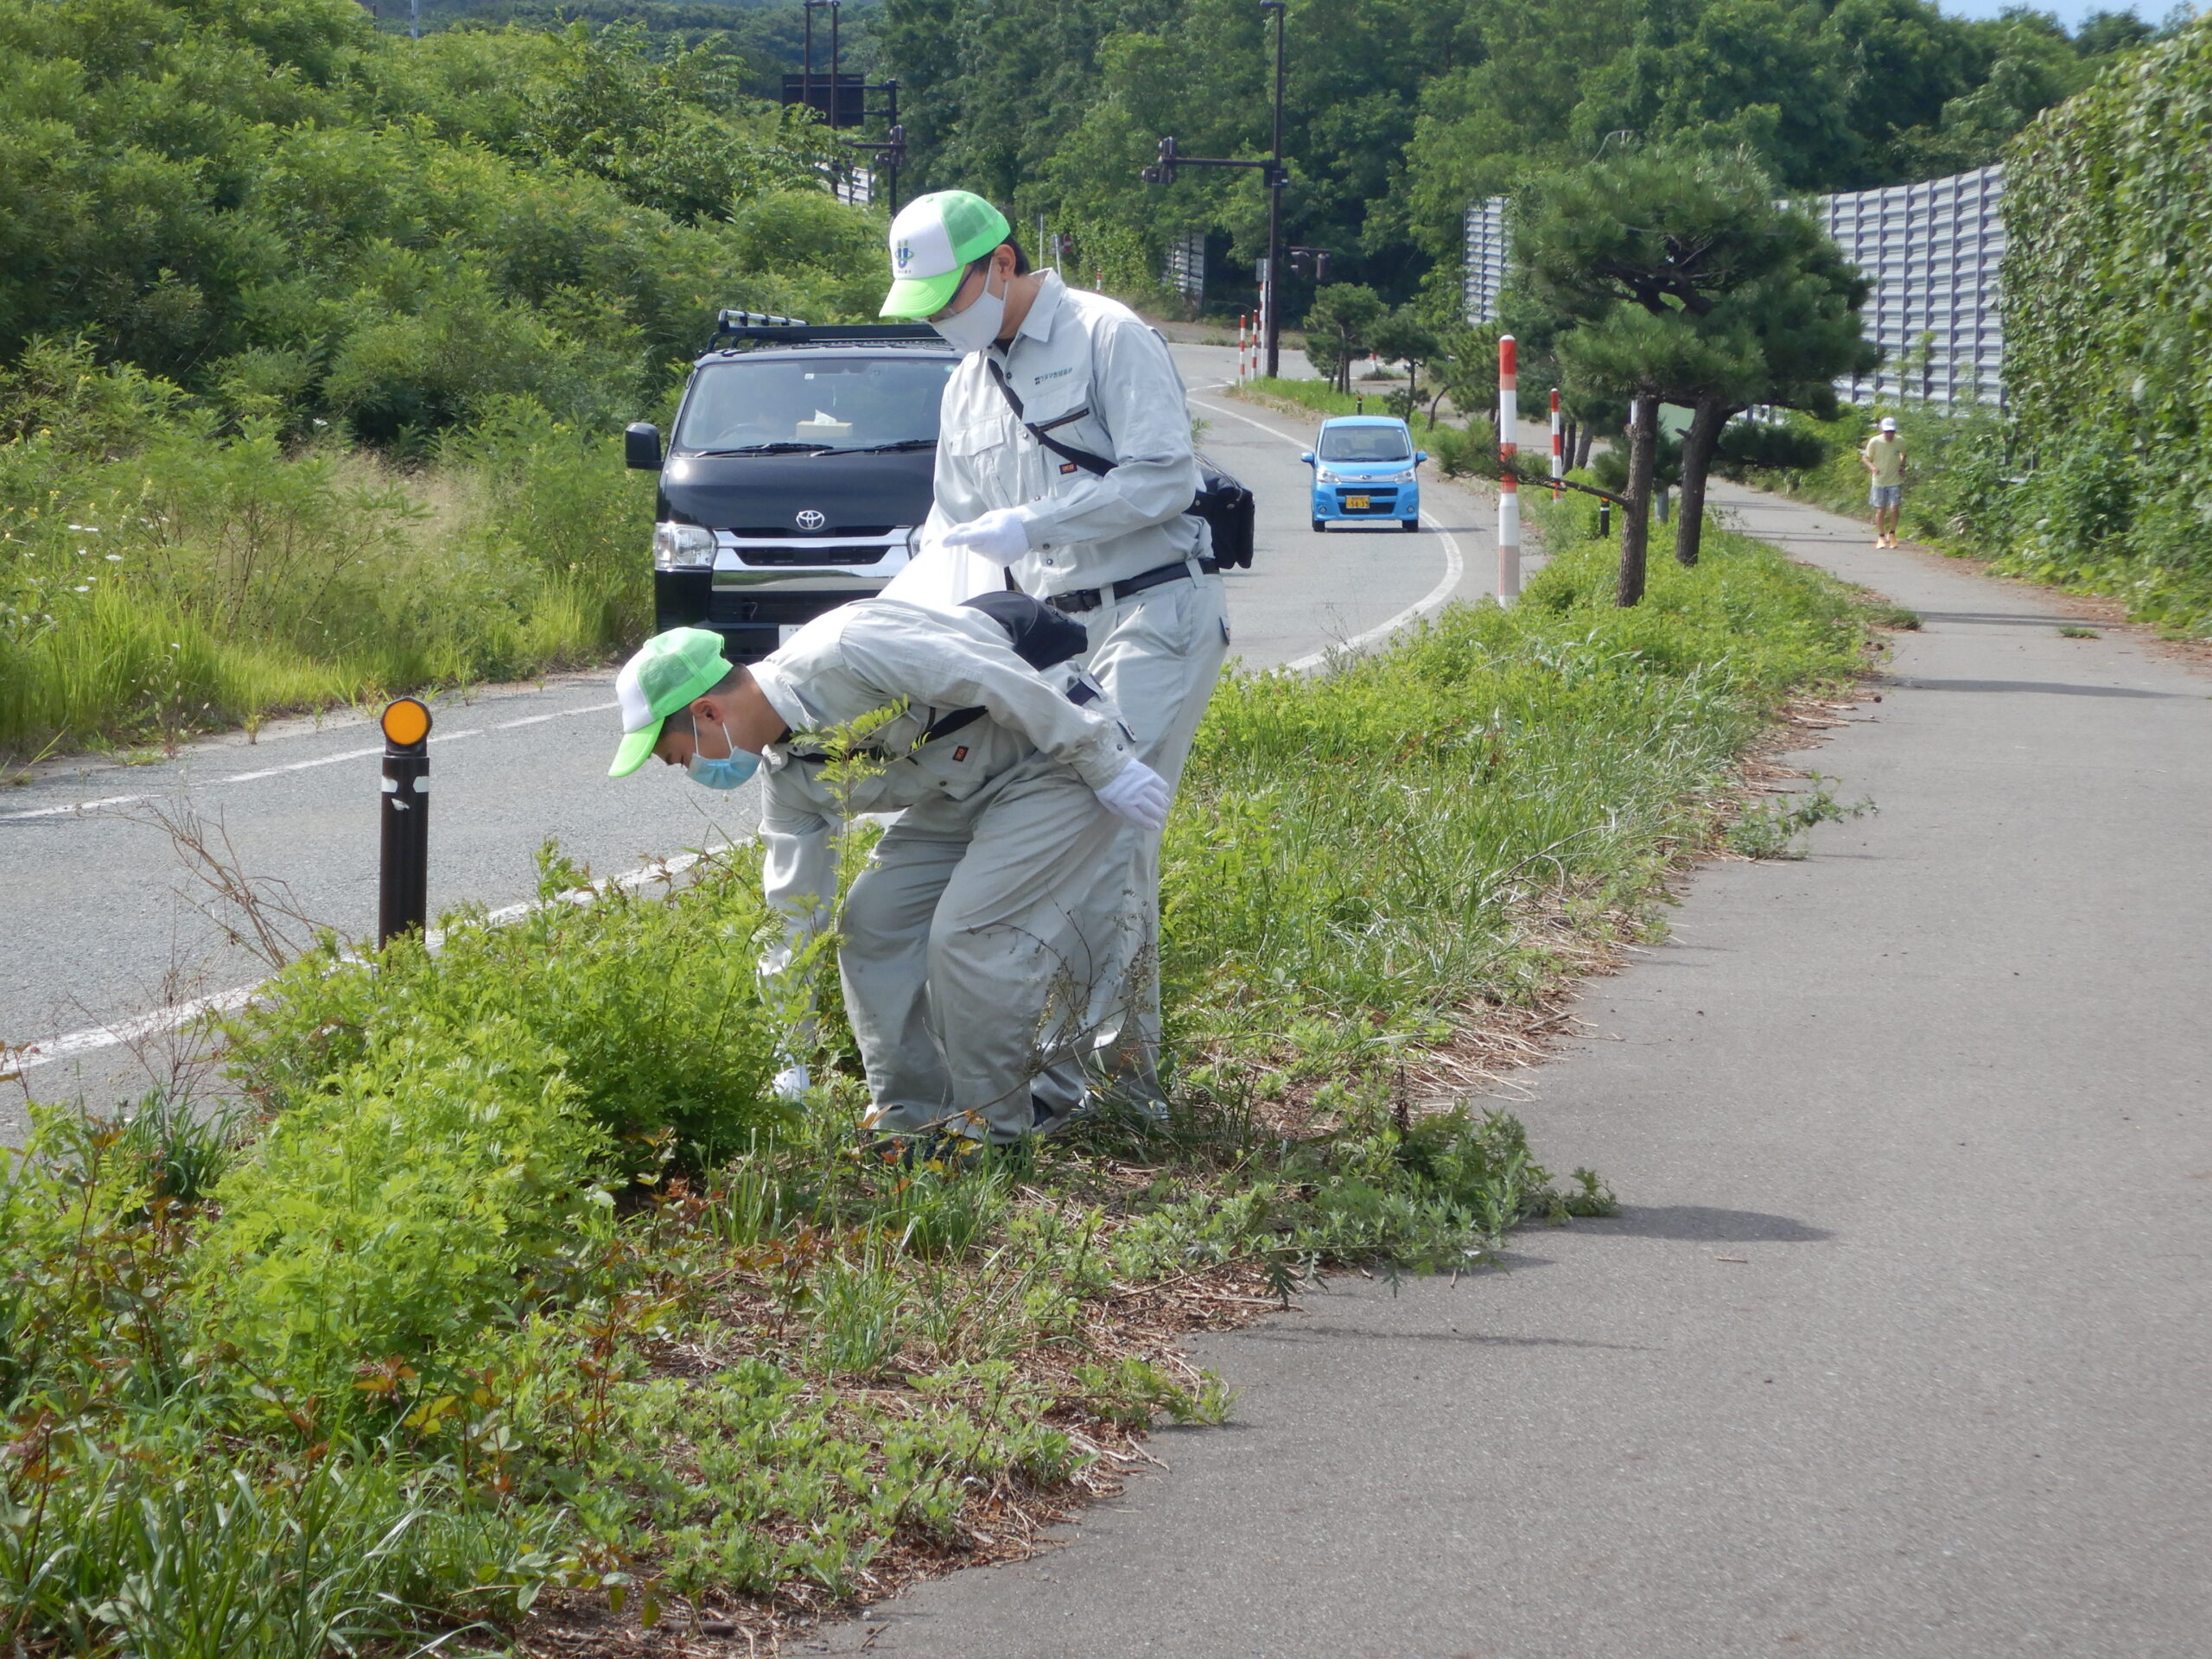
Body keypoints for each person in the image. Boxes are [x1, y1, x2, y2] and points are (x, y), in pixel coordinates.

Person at [879, 189, 1229, 1116]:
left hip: (1151, 613)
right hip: (1048, 642)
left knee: (1098, 839)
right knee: (1098, 846)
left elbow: (1163, 478)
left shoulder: (1108, 336)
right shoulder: (966, 382)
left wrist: (1034, 520)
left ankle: (1097, 1088)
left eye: (949, 303)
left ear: (998, 266)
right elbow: (949, 529)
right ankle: (1102, 1081)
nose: (945, 326)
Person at [607, 607, 1171, 1150]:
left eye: (680, 757)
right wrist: (788, 1058)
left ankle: (993, 1134)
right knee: (870, 924)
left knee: (970, 936)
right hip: (964, 791)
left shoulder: (847, 652)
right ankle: (914, 1119)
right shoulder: (790, 781)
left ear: (707, 712)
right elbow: (792, 919)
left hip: (1053, 760)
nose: (692, 772)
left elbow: (993, 674)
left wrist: (1103, 762)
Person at [1861, 416, 1907, 548]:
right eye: (1887, 432)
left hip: (1895, 480)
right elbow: (1865, 458)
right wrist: (1873, 467)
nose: (1889, 435)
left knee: (1894, 508)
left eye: (1892, 432)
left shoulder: (1900, 441)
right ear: (1882, 430)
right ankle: (1881, 536)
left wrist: (1902, 466)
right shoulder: (1875, 442)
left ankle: (1892, 533)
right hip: (1879, 480)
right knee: (1881, 510)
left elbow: (1903, 454)